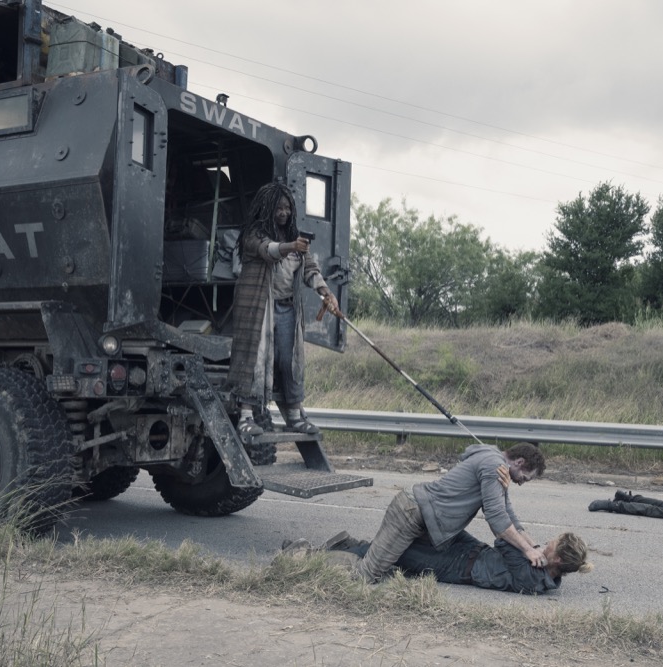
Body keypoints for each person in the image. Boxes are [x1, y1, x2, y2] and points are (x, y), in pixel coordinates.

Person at [225, 182, 341, 436]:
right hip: (259, 308)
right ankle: (245, 417)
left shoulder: (294, 236)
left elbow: (310, 269)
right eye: (279, 208)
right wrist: (291, 247)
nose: (284, 213)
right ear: (267, 208)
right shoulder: (253, 234)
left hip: (287, 308)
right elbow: (268, 251)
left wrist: (326, 292)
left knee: (290, 361)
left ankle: (295, 416)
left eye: (287, 208)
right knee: (252, 360)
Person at [353, 442, 546, 583]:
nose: (521, 482)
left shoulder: (495, 463)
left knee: (389, 566)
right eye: (525, 478)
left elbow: (506, 512)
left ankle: (349, 548)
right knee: (367, 575)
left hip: (425, 519)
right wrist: (527, 551)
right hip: (411, 513)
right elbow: (497, 520)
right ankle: (329, 563)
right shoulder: (493, 465)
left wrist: (534, 546)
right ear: (519, 462)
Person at [328, 529, 593, 595]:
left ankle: (326, 552)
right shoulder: (544, 570)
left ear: (557, 558)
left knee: (399, 553)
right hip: (471, 550)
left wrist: (527, 547)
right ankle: (354, 545)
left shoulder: (533, 577)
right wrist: (530, 548)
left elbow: (502, 539)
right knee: (424, 529)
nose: (546, 543)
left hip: (457, 567)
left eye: (551, 545)